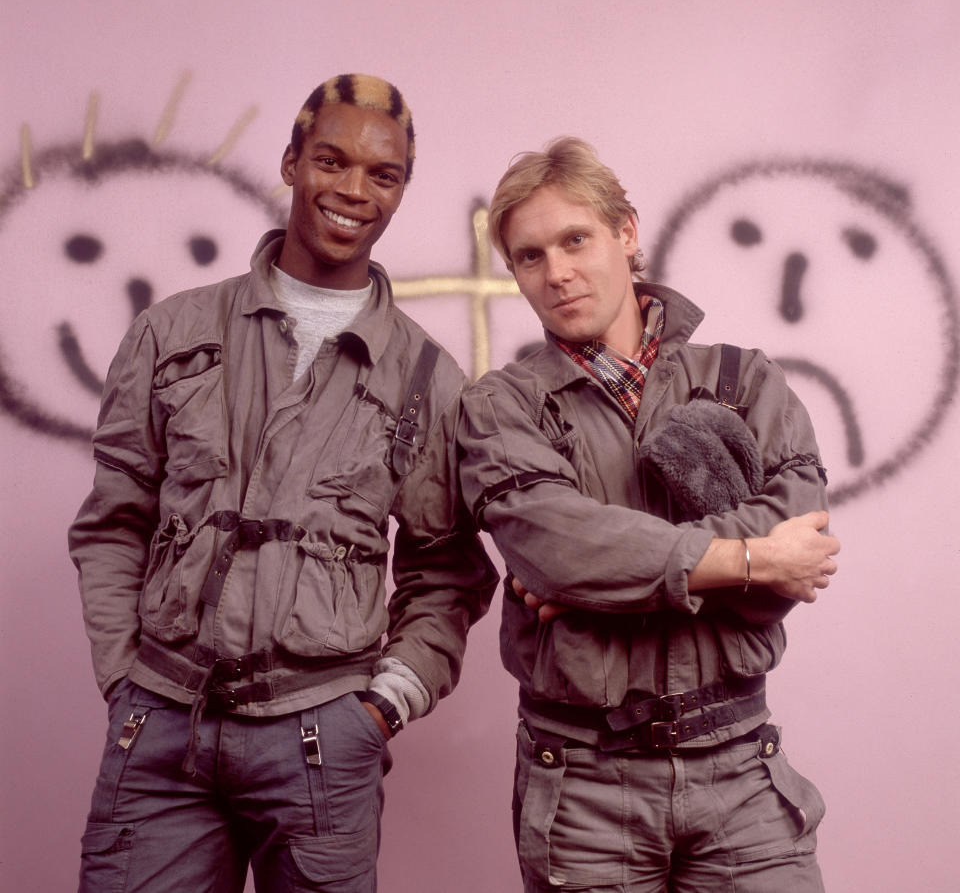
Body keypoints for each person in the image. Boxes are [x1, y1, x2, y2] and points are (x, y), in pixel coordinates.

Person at [68, 73, 497, 893]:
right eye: (331, 161)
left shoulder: (425, 377)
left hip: (320, 744)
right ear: (291, 161)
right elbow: (113, 521)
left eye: (383, 175)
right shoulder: (171, 334)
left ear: (403, 190)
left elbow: (445, 570)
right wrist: (125, 676)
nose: (353, 191)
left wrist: (383, 705)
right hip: (158, 727)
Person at [457, 137, 840, 892]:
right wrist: (750, 559)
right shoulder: (499, 407)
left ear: (626, 232)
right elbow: (560, 551)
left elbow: (802, 535)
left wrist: (609, 571)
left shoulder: (743, 380)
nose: (558, 272)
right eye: (530, 256)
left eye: (576, 239)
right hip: (583, 786)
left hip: (741, 769)